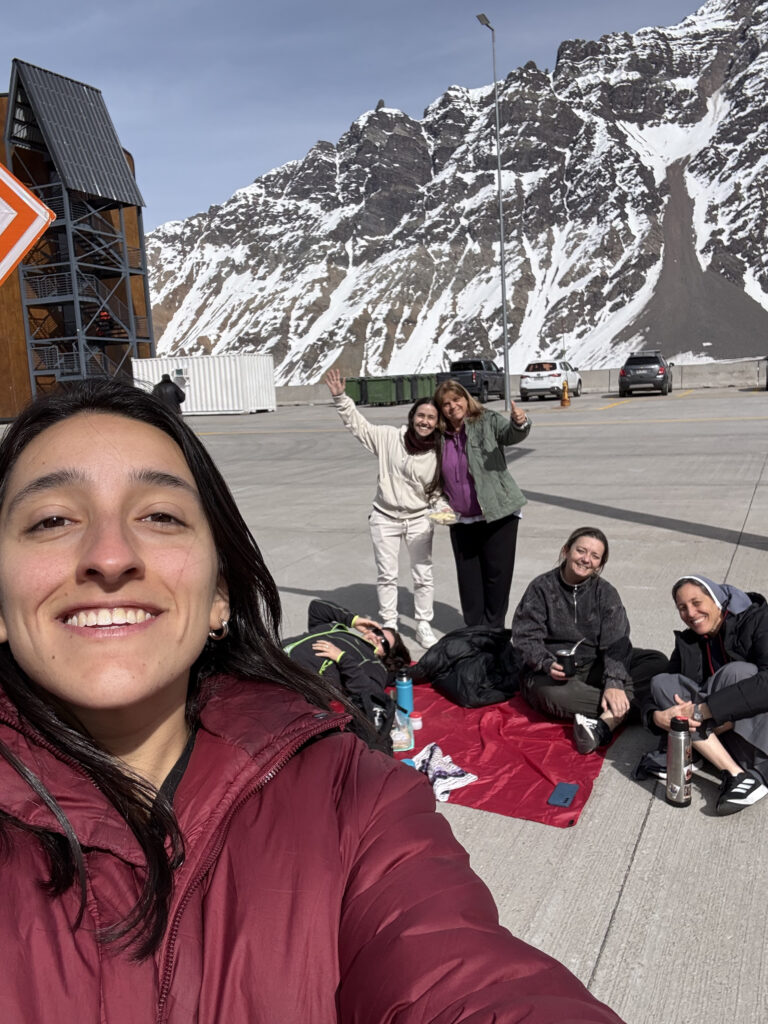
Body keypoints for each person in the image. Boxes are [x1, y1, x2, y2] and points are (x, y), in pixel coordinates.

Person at [0, 380, 625, 1022]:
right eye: (52, 520)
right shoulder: (349, 623)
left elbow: (460, 973)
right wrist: (358, 628)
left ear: (220, 595)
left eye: (160, 516)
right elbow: (331, 587)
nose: (109, 557)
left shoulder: (353, 799)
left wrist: (363, 663)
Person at [512, 527, 669, 754]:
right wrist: (546, 663)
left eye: (595, 556)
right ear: (566, 551)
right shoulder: (541, 588)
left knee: (657, 662)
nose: (586, 559)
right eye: (581, 551)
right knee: (550, 695)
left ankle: (606, 721)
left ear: (600, 564)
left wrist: (614, 682)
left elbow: (617, 642)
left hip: (596, 664)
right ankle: (639, 709)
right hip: (554, 674)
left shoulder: (605, 592)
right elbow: (525, 636)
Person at [326, 367, 441, 647]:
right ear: (412, 416)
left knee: (423, 573)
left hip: (419, 519)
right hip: (385, 517)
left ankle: (423, 624)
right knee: (387, 574)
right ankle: (389, 625)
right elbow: (359, 426)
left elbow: (438, 490)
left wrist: (441, 509)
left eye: (431, 418)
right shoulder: (390, 438)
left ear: (437, 423)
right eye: (421, 415)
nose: (425, 422)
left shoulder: (439, 451)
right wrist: (341, 399)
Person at [644, 575, 768, 816]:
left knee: (737, 673)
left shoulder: (758, 620)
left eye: (696, 602)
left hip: (754, 721)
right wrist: (655, 717)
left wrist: (703, 711)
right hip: (715, 726)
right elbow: (660, 689)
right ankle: (733, 773)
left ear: (716, 599)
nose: (691, 613)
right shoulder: (689, 641)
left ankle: (702, 751)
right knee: (662, 683)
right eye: (682, 607)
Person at [434, 378, 530, 629]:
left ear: (466, 399)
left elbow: (510, 435)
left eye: (456, 400)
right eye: (446, 404)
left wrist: (520, 422)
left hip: (498, 513)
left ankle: (493, 632)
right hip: (461, 519)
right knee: (469, 582)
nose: (452, 406)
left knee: (496, 578)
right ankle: (475, 632)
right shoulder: (439, 436)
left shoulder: (486, 420)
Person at [284, 598, 411, 752]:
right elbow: (317, 607)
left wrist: (342, 658)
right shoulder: (336, 629)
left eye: (384, 642)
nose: (377, 638)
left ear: (385, 654)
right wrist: (353, 620)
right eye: (378, 632)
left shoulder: (373, 663)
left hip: (292, 680)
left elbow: (370, 692)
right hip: (272, 655)